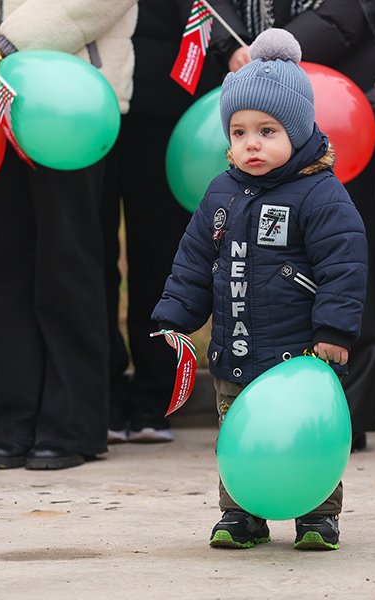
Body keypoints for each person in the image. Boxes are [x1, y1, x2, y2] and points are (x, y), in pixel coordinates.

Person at [153, 29, 368, 550]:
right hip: (237, 345)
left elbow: (344, 263)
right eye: (239, 131)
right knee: (237, 431)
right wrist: (177, 314)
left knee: (304, 432)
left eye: (267, 131)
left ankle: (318, 512)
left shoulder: (319, 193)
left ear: (297, 130)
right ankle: (241, 512)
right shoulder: (221, 191)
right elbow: (194, 258)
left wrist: (334, 328)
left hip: (299, 353)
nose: (251, 143)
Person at [0, 0, 137, 469]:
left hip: (68, 98)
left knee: (66, 261)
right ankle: (11, 423)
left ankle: (73, 426)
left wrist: (11, 43)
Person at [207, 0, 375, 451]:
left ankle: (340, 413)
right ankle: (254, 415)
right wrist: (238, 49)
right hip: (247, 83)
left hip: (337, 90)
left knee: (338, 251)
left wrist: (274, 59)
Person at [100, 0, 225, 445]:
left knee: (158, 255)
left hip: (168, 98)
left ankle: (156, 391)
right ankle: (104, 390)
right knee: (89, 254)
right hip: (87, 93)